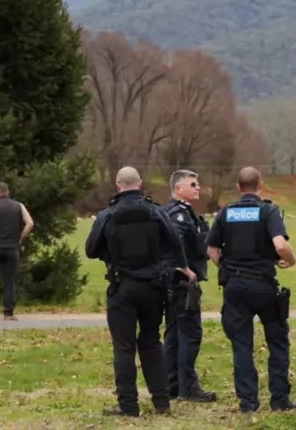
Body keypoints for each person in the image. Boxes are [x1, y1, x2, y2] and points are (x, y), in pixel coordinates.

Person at [85, 166, 197, 417]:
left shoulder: (108, 215)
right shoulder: (155, 211)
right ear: (140, 183)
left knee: (123, 346)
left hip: (122, 286)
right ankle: (161, 401)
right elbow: (174, 243)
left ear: (118, 184)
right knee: (151, 343)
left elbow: (91, 250)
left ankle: (128, 406)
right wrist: (183, 269)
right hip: (153, 287)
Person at [206, 167, 296, 414]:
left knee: (241, 345)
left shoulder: (227, 212)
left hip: (235, 287)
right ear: (260, 187)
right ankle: (279, 400)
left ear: (238, 188)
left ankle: (248, 402)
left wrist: (228, 268)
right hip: (263, 285)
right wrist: (290, 261)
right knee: (277, 342)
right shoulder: (268, 210)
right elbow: (280, 244)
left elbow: (212, 251)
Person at [161, 169, 216, 402]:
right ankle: (189, 388)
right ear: (178, 189)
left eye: (198, 183)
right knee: (190, 334)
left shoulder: (180, 211)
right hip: (182, 284)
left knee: (174, 335)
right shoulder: (179, 214)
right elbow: (175, 240)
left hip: (173, 284)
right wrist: (184, 268)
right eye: (192, 184)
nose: (198, 187)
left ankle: (172, 385)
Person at [0, 182, 35, 321]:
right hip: (12, 248)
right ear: (7, 192)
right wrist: (20, 238)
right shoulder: (18, 206)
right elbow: (30, 223)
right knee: (9, 280)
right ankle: (9, 313)